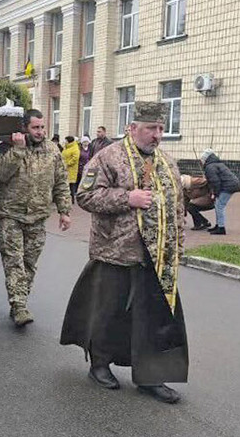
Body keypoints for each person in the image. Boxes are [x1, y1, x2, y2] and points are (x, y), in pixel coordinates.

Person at [61, 101, 189, 405]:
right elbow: (85, 195)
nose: (157, 135)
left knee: (155, 318)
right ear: (132, 129)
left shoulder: (167, 163)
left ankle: (151, 377)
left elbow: (178, 208)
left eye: (160, 129)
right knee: (108, 311)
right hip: (115, 250)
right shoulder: (109, 157)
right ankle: (100, 365)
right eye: (150, 128)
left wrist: (177, 246)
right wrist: (126, 198)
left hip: (156, 257)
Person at [0, 110, 72, 326]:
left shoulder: (52, 150)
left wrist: (64, 211)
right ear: (24, 128)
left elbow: (61, 182)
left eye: (42, 127)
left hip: (38, 216)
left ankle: (20, 300)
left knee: (29, 263)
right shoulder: (9, 147)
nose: (40, 132)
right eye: (35, 127)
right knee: (14, 261)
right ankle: (19, 305)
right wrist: (18, 150)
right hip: (10, 214)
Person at [200, 149, 240, 235]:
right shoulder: (216, 164)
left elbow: (215, 182)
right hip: (230, 185)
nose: (201, 162)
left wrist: (215, 194)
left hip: (228, 186)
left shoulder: (210, 167)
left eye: (202, 160)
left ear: (205, 159)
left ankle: (221, 228)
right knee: (218, 204)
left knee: (219, 205)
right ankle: (218, 225)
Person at [62, 136, 81, 203]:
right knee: (65, 185)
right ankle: (66, 199)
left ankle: (72, 199)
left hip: (71, 169)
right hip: (64, 169)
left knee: (71, 185)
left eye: (66, 140)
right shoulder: (66, 147)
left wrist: (67, 164)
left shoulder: (75, 148)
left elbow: (75, 158)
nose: (64, 142)